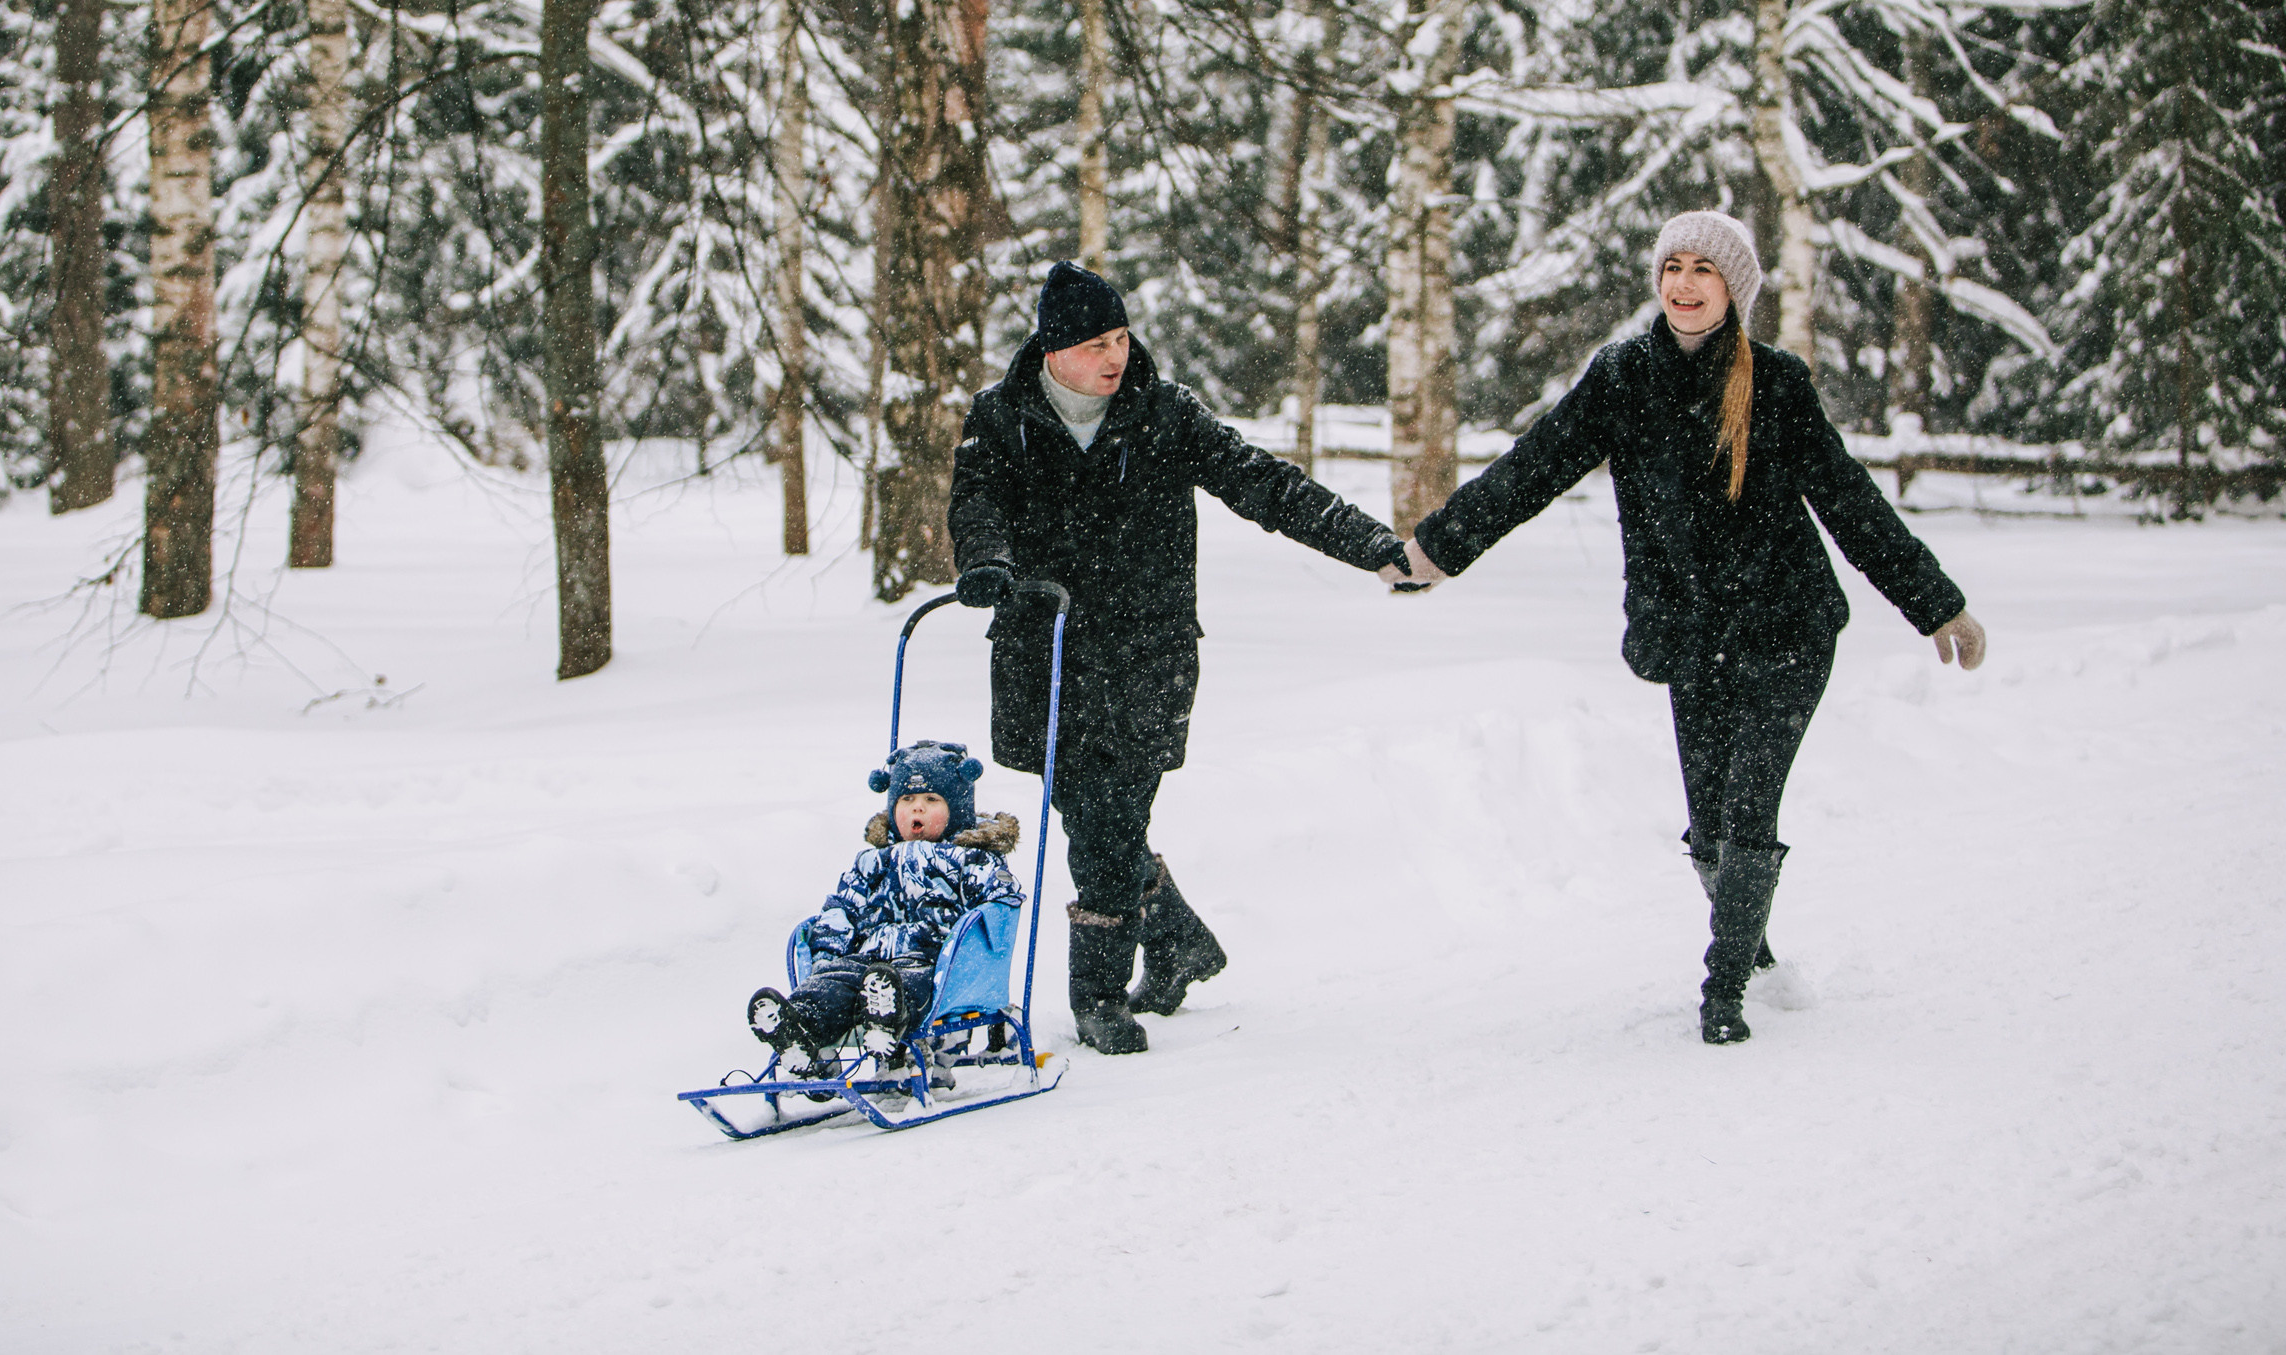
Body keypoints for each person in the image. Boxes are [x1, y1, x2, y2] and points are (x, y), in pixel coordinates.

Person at [1391, 211, 1987, 1044]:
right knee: (1708, 829)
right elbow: (1535, 467)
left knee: (1747, 811)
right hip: (1693, 638)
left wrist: (1936, 602)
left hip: (1787, 630)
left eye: (1704, 267)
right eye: (1672, 264)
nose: (1683, 281)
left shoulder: (1777, 384)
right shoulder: (1624, 377)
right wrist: (1439, 548)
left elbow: (1852, 504)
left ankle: (1725, 988)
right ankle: (1758, 946)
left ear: (1733, 288)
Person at [948, 261, 1421, 1054]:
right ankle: (1177, 940)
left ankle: (1098, 994)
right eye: (1097, 343)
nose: (1116, 356)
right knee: (1090, 816)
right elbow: (975, 499)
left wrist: (1372, 546)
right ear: (1053, 349)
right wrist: (986, 559)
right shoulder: (1001, 417)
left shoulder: (1165, 413)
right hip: (1048, 650)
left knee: (1105, 826)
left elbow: (1264, 485)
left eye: (1123, 337)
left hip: (1144, 655)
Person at [746, 740, 1024, 1073]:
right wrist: (825, 958)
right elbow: (843, 907)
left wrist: (996, 895)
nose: (916, 809)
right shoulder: (872, 861)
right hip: (865, 958)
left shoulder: (971, 858)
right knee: (833, 985)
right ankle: (799, 1031)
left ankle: (887, 1019)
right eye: (907, 800)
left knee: (905, 985)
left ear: (958, 808)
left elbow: (1000, 900)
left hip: (933, 961)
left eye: (931, 800)